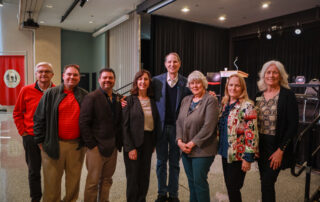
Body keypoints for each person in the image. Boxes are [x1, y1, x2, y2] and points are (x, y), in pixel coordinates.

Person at [33, 64, 87, 202]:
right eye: (68, 74)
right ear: (63, 76)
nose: (72, 77)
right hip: (53, 144)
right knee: (51, 182)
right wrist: (40, 141)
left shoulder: (84, 95)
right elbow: (39, 118)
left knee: (73, 182)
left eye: (75, 75)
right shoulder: (50, 94)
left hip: (76, 146)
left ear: (79, 78)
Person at [255, 60, 298, 202]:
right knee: (265, 182)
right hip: (261, 146)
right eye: (268, 72)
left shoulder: (288, 95)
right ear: (263, 75)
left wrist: (281, 150)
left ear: (280, 75)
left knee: (267, 182)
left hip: (277, 146)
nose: (271, 75)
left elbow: (293, 125)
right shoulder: (258, 94)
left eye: (275, 72)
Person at [13, 62, 55, 202]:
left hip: (51, 139)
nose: (43, 74)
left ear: (52, 74)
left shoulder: (57, 91)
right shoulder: (26, 90)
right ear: (36, 74)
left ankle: (50, 198)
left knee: (53, 172)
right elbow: (17, 113)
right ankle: (35, 198)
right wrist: (23, 132)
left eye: (47, 71)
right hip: (30, 138)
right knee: (33, 171)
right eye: (40, 71)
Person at [79, 68, 123, 202]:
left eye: (110, 78)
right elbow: (83, 123)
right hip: (96, 148)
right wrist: (92, 145)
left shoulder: (117, 98)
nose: (107, 80)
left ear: (114, 80)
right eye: (104, 78)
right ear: (99, 80)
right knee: (93, 182)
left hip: (112, 147)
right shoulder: (91, 97)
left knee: (107, 180)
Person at [152, 52, 191, 202]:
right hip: (161, 128)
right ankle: (162, 193)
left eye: (175, 62)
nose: (172, 65)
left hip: (177, 129)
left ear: (179, 64)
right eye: (169, 62)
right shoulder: (156, 81)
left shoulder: (186, 82)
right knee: (161, 162)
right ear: (165, 64)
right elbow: (144, 96)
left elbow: (196, 97)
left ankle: (173, 194)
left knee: (174, 163)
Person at [176, 70, 219, 202]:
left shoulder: (210, 100)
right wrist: (179, 141)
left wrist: (192, 143)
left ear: (204, 84)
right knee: (191, 182)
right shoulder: (186, 100)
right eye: (192, 83)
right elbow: (179, 122)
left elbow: (209, 127)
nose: (195, 86)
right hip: (185, 149)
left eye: (198, 83)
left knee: (199, 182)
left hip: (203, 149)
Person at [218, 74, 259, 202]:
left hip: (239, 155)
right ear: (227, 87)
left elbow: (252, 134)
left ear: (242, 88)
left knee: (234, 188)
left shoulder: (247, 106)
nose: (233, 88)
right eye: (231, 85)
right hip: (226, 152)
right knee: (230, 187)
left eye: (237, 85)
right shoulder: (225, 104)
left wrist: (248, 158)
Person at [122, 70, 159, 202]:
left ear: (149, 82)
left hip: (148, 142)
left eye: (146, 79)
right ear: (136, 82)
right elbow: (124, 127)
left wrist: (153, 143)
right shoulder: (128, 100)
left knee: (144, 176)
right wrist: (130, 147)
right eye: (140, 79)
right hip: (133, 143)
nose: (143, 82)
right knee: (133, 177)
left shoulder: (153, 101)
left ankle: (141, 199)